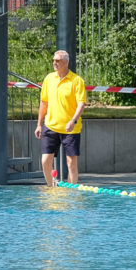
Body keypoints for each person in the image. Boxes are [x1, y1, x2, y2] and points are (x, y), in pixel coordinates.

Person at [36, 49, 86, 186]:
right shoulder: (48, 78)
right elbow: (44, 102)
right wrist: (39, 124)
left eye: (57, 60)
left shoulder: (77, 81)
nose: (54, 63)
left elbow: (81, 104)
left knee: (71, 163)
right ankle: (51, 188)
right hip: (51, 126)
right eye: (53, 60)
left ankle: (71, 192)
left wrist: (73, 120)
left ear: (65, 62)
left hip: (71, 129)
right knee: (45, 161)